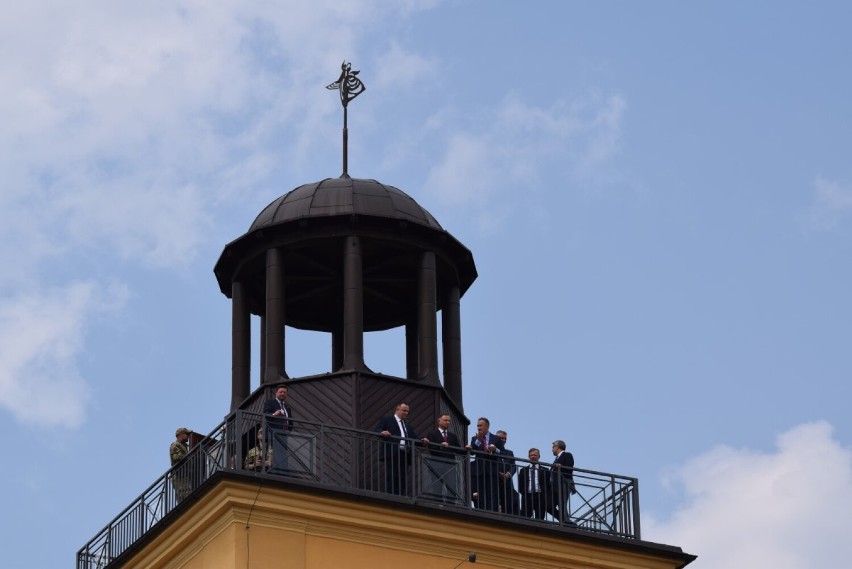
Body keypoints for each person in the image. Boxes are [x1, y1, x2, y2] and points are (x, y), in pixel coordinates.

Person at [375, 402, 417, 496]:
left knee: (402, 478)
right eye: (404, 410)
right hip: (393, 453)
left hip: (404, 454)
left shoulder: (407, 425)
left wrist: (423, 441)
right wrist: (382, 432)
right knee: (393, 475)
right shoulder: (388, 419)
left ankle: (400, 497)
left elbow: (415, 438)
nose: (406, 413)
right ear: (397, 410)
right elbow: (377, 429)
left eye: (407, 411)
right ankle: (392, 497)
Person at [420, 413, 463, 504]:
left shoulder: (452, 436)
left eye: (449, 421)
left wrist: (466, 448)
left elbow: (459, 450)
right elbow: (431, 449)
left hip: (450, 466)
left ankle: (451, 506)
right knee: (437, 487)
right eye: (445, 420)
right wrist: (441, 446)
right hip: (437, 465)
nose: (448, 422)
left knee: (452, 487)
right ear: (439, 421)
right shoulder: (432, 434)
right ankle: (438, 505)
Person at [466, 417, 504, 512]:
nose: (479, 428)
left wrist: (495, 450)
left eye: (481, 425)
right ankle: (481, 513)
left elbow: (503, 453)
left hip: (492, 471)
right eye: (478, 426)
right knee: (480, 494)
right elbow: (473, 452)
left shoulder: (496, 438)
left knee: (492, 494)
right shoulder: (474, 438)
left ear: (487, 426)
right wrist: (478, 441)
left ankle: (492, 514)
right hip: (479, 471)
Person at [262, 384, 293, 473]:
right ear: (276, 393)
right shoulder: (270, 402)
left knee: (283, 453)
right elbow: (266, 415)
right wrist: (274, 414)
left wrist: (288, 431)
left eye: (284, 392)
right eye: (281, 392)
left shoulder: (287, 407)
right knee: (278, 451)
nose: (283, 394)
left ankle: (284, 470)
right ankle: (280, 471)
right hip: (274, 432)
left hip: (284, 433)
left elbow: (290, 422)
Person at [518, 448, 551, 520]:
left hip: (540, 496)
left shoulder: (545, 470)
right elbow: (520, 485)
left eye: (535, 455)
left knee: (540, 518)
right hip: (527, 496)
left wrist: (545, 495)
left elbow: (548, 485)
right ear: (529, 457)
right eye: (531, 455)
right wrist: (524, 493)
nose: (533, 456)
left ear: (539, 456)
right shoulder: (523, 470)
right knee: (525, 518)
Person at [550, 439, 576, 523]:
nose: (552, 449)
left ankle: (566, 521)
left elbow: (570, 468)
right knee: (549, 505)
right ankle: (564, 519)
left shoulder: (567, 455)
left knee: (562, 502)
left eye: (553, 447)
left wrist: (560, 466)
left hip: (564, 483)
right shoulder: (556, 459)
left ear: (558, 447)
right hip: (555, 485)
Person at [496, 430, 520, 515]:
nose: (503, 440)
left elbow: (513, 466)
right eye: (501, 438)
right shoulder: (492, 450)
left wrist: (507, 474)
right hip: (495, 482)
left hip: (507, 483)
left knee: (509, 503)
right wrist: (498, 473)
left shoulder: (510, 453)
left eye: (505, 438)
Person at [170, 427, 192, 503]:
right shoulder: (175, 445)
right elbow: (175, 457)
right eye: (187, 434)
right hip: (179, 474)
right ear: (181, 435)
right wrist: (186, 457)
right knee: (182, 494)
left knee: (188, 492)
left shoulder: (185, 446)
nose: (188, 436)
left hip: (185, 474)